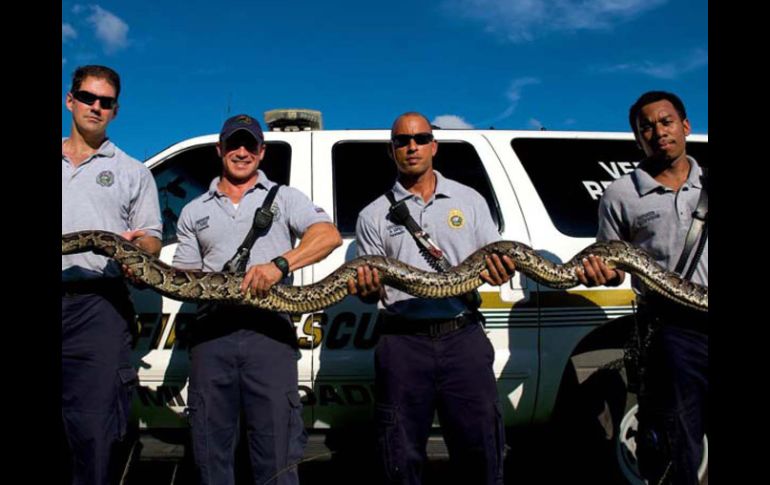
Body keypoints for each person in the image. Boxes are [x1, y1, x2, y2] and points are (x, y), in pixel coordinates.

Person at [172, 113, 342, 485]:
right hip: (212, 335)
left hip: (269, 336)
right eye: (233, 144)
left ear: (262, 152)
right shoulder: (194, 210)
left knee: (276, 454)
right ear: (220, 150)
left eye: (250, 145)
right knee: (211, 455)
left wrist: (281, 264)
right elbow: (184, 277)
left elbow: (328, 235)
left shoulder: (285, 197)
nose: (242, 152)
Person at [348, 112, 516, 485]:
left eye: (421, 139)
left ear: (434, 146)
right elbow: (372, 293)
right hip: (402, 343)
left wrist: (501, 270)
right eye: (402, 141)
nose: (412, 147)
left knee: (480, 449)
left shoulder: (469, 200)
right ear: (391, 150)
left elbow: (495, 258)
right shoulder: (372, 215)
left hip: (462, 336)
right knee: (400, 454)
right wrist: (366, 288)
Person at [577, 91, 708, 484]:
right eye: (646, 127)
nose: (658, 132)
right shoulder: (620, 195)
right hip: (672, 330)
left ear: (685, 126)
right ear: (638, 138)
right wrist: (601, 273)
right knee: (676, 441)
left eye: (666, 122)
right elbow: (612, 264)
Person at [62, 65, 163, 484]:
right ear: (70, 100)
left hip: (98, 305)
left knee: (94, 430)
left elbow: (151, 239)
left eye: (106, 102)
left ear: (115, 111)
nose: (96, 107)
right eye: (88, 98)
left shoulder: (133, 171)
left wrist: (139, 252)